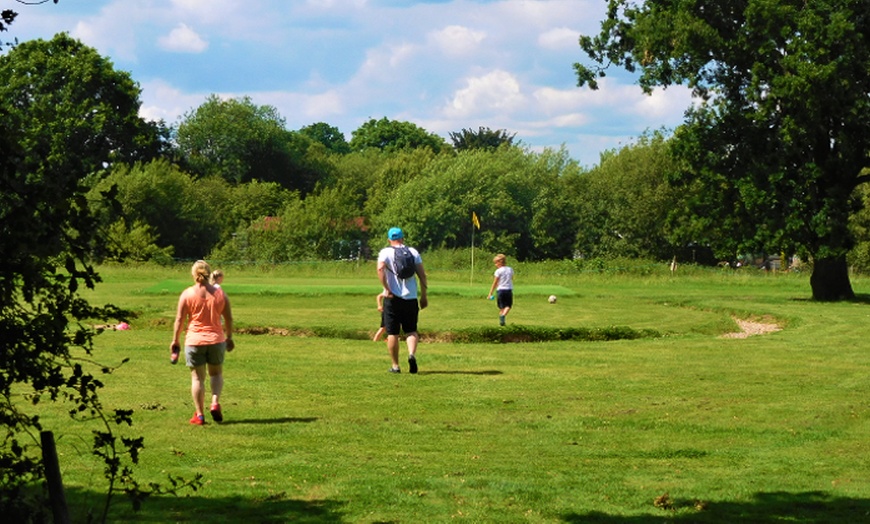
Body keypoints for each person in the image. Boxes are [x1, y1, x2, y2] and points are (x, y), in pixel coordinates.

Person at [171, 260, 234, 425]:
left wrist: (175, 340)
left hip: (194, 340)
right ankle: (214, 402)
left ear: (193, 274)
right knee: (216, 373)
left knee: (197, 379)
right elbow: (228, 318)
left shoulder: (187, 294)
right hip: (216, 340)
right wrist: (230, 337)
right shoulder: (220, 294)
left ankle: (199, 415)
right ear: (209, 273)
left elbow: (179, 320)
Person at [377, 227, 428, 373]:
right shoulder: (413, 252)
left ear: (389, 239)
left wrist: (386, 288)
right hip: (411, 297)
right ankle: (411, 354)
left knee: (393, 333)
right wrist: (423, 295)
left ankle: (395, 366)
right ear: (403, 238)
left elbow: (380, 269)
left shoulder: (385, 252)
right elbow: (422, 275)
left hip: (392, 298)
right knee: (411, 330)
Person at [487, 253, 514, 326]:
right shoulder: (510, 269)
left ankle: (502, 319)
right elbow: (511, 278)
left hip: (500, 290)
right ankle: (503, 318)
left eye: (496, 263)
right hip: (508, 290)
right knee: (508, 306)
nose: (495, 265)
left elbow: (495, 283)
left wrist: (490, 293)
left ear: (499, 262)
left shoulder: (498, 271)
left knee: (501, 307)